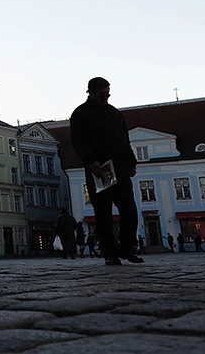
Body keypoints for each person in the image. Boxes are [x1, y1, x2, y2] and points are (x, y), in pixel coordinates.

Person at [70, 77, 141, 266]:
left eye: (107, 94)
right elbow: (79, 141)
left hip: (120, 167)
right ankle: (110, 252)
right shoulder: (80, 114)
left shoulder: (114, 113)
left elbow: (124, 139)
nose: (105, 97)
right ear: (91, 93)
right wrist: (90, 160)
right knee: (103, 213)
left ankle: (128, 247)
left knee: (129, 209)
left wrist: (131, 162)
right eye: (102, 94)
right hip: (99, 169)